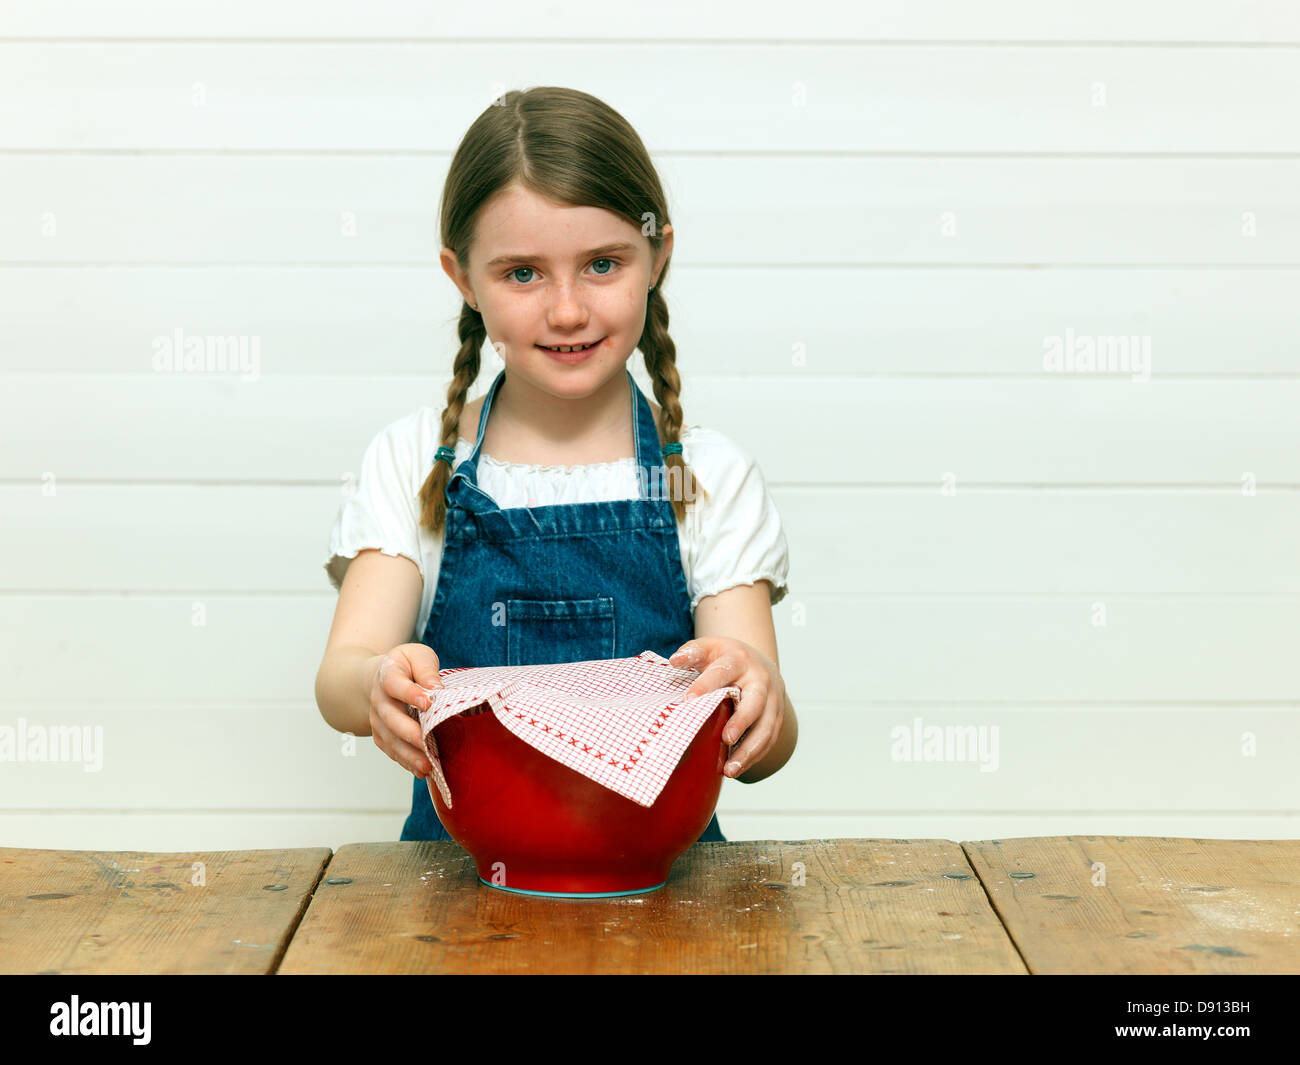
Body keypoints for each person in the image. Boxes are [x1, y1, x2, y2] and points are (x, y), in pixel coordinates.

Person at [314, 86, 798, 843]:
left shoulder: (707, 476)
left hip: (666, 896)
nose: (567, 309)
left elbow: (770, 742)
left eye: (603, 264)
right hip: (457, 893)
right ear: (463, 279)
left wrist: (757, 692)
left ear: (657, 257)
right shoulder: (415, 459)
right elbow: (342, 675)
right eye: (523, 273)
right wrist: (376, 680)